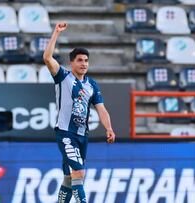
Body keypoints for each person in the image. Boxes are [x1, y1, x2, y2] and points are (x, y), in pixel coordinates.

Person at [43, 21, 116, 203]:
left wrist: (109, 127)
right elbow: (47, 58)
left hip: (82, 136)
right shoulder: (63, 76)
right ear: (72, 62)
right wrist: (56, 33)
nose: (84, 64)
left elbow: (101, 109)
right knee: (79, 172)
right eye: (80, 60)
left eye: (86, 60)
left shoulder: (91, 84)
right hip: (66, 133)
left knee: (69, 178)